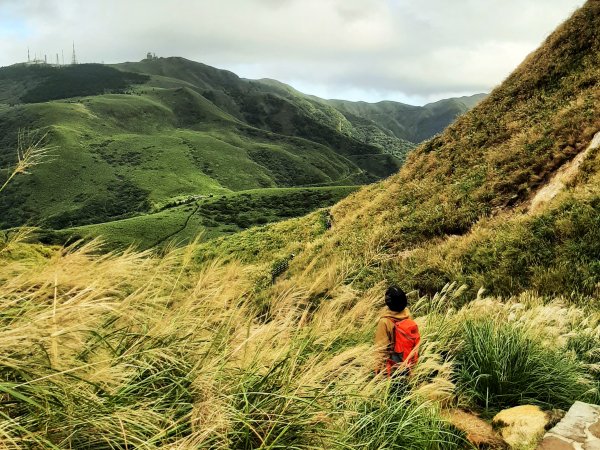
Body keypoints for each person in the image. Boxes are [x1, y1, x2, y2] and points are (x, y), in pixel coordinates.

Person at [374, 285, 420, 377]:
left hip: (392, 369)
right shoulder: (407, 315)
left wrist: (377, 370)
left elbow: (380, 349)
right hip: (408, 364)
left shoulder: (385, 322)